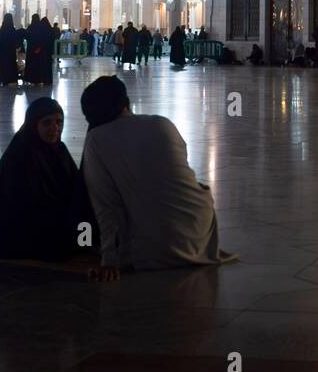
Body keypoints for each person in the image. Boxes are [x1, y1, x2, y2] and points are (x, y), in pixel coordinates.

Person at [79, 76, 234, 278]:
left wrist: (109, 260)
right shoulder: (162, 123)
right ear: (126, 103)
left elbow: (106, 206)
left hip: (152, 250)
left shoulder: (95, 140)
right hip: (199, 233)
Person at [0, 97, 93, 261]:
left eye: (59, 122)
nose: (55, 128)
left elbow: (75, 187)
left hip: (52, 214)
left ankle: (84, 246)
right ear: (34, 124)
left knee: (87, 217)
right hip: (23, 230)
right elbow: (24, 205)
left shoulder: (59, 149)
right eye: (47, 123)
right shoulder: (21, 154)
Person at [0, 14, 21, 86]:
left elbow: (0, 39)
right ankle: (10, 79)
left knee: (2, 65)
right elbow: (14, 40)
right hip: (10, 51)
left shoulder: (2, 29)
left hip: (2, 51)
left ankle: (2, 79)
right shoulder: (12, 29)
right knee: (10, 65)